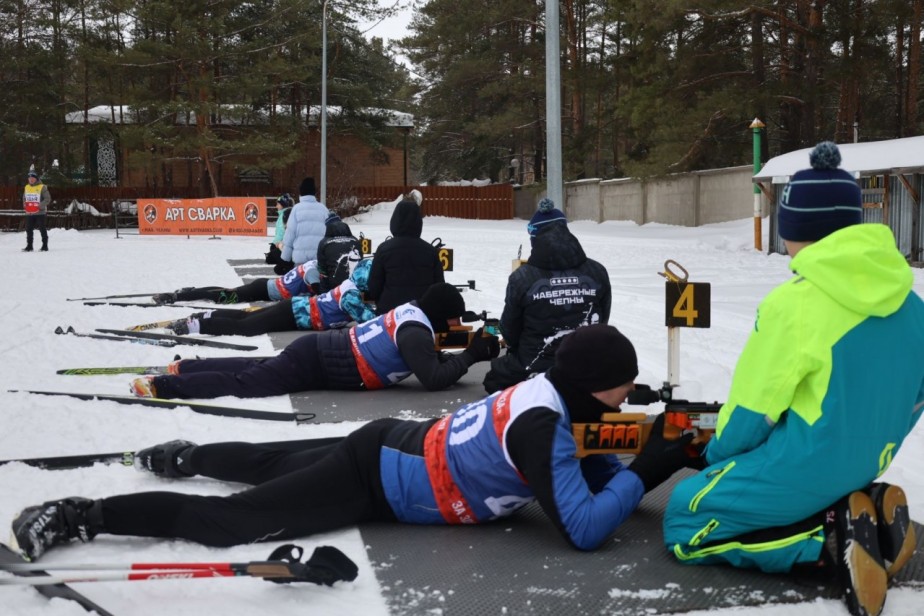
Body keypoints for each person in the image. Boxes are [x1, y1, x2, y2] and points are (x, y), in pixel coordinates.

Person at [10, 324, 698, 561]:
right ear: (595, 385)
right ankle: (81, 514)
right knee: (235, 521)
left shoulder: (554, 396)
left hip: (390, 449)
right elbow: (580, 526)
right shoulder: (545, 425)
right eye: (624, 389)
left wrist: (652, 455)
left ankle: (182, 456)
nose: (627, 400)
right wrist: (650, 467)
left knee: (266, 463)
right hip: (379, 478)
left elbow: (599, 464)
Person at [662, 142, 924, 616]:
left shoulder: (795, 305)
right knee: (792, 479)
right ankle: (866, 503)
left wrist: (717, 458)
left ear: (798, 230)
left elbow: (752, 408)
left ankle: (827, 543)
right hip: (870, 459)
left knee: (685, 516)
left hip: (807, 463)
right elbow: (916, 397)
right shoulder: (910, 300)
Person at [130, 282, 499, 400]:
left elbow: (431, 351)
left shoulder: (413, 314)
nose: (453, 324)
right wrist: (469, 357)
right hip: (320, 361)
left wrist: (469, 345)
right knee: (249, 383)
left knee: (255, 368)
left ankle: (186, 366)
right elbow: (432, 378)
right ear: (439, 313)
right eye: (453, 317)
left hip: (322, 354)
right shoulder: (416, 333)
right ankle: (164, 385)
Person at [483, 198, 611, 394]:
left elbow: (509, 332)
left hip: (533, 365)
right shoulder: (597, 271)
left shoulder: (522, 277)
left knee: (493, 379)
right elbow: (603, 321)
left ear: (534, 237)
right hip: (587, 367)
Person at [165, 258, 376, 337]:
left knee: (244, 317)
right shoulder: (351, 296)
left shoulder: (351, 287)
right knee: (245, 325)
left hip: (293, 307)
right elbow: (372, 321)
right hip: (292, 311)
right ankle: (195, 324)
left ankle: (205, 316)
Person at [366, 198, 444, 315]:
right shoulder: (431, 252)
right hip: (422, 313)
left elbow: (374, 288)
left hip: (389, 313)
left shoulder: (383, 249)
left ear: (395, 221)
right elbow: (439, 288)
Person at [152, 259, 320, 305]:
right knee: (223, 296)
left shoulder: (313, 263)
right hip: (262, 290)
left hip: (264, 286)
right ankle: (176, 297)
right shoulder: (314, 271)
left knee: (226, 292)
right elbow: (320, 294)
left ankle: (189, 291)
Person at [278, 177, 328, 275]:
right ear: (314, 193)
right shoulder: (323, 209)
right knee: (317, 285)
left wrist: (285, 257)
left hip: (300, 259)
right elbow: (328, 233)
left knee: (301, 284)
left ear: (301, 192)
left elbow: (290, 233)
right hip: (319, 259)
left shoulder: (296, 209)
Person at [316, 210, 362, 292]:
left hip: (334, 287)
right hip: (355, 286)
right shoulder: (355, 240)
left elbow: (322, 270)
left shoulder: (324, 243)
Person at [22, 170, 51, 252]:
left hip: (40, 212)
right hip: (29, 212)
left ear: (36, 179)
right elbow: (24, 198)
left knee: (42, 229)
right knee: (28, 229)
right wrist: (24, 204)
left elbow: (47, 199)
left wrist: (39, 206)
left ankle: (45, 246)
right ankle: (29, 246)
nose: (31, 179)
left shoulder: (42, 187)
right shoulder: (26, 187)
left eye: (32, 178)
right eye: (29, 178)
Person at [264, 193, 294, 265]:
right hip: (284, 244)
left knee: (270, 259)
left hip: (281, 245)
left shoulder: (283, 215)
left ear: (282, 205)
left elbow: (281, 231)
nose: (276, 206)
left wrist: (275, 243)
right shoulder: (285, 214)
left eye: (278, 204)